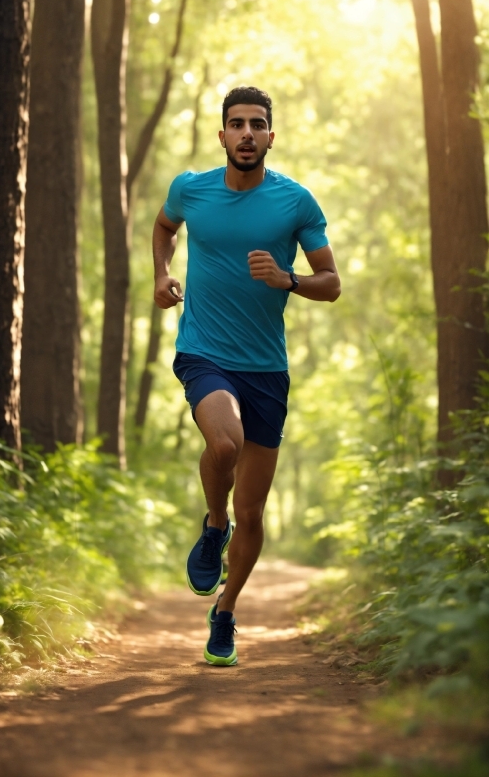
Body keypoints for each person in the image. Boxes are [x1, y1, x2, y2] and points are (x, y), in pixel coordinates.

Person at [153, 86, 340, 666]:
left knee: (254, 514)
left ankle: (227, 609)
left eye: (257, 124)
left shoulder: (295, 203)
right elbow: (164, 228)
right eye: (237, 124)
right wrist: (160, 276)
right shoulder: (191, 188)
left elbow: (330, 283)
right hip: (204, 352)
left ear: (270, 137)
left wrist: (288, 280)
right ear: (223, 135)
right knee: (224, 442)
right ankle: (214, 525)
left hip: (267, 369)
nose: (247, 133)